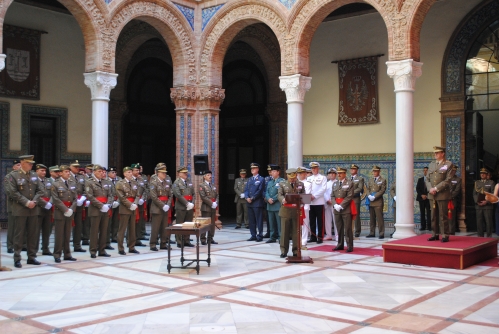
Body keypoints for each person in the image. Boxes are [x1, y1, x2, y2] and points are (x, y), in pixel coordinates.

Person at [4, 155, 44, 268]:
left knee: (32, 234)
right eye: (29, 163)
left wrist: (34, 202)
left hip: (33, 209)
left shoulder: (34, 175)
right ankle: (17, 257)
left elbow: (40, 190)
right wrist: (27, 202)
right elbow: (13, 192)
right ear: (22, 163)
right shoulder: (13, 175)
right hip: (21, 209)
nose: (31, 165)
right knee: (19, 234)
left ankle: (31, 257)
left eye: (32, 163)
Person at [426, 146, 453, 242]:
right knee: (433, 215)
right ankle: (434, 234)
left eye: (437, 153)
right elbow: (427, 179)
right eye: (435, 153)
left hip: (442, 194)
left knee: (443, 216)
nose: (435, 154)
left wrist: (436, 188)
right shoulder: (431, 164)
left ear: (443, 153)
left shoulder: (448, 164)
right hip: (432, 194)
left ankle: (445, 235)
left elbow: (448, 180)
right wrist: (430, 188)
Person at [51, 165, 77, 263]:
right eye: (66, 171)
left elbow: (75, 198)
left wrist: (72, 209)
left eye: (68, 172)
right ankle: (57, 254)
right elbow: (56, 199)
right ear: (61, 173)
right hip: (60, 212)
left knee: (67, 234)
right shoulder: (56, 184)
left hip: (70, 211)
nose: (68, 173)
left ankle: (67, 254)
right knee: (59, 235)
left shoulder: (72, 183)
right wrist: (65, 209)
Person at [85, 165, 113, 258]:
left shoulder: (106, 182)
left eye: (102, 171)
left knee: (104, 230)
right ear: (94, 172)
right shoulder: (89, 182)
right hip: (95, 209)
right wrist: (101, 205)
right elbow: (90, 196)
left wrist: (108, 204)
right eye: (99, 171)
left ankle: (102, 250)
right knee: (94, 231)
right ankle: (93, 250)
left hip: (105, 208)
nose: (102, 173)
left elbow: (110, 195)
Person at [277, 168, 304, 258]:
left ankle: (296, 250)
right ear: (287, 176)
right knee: (285, 232)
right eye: (290, 178)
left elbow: (304, 195)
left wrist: (302, 202)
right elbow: (279, 195)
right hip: (286, 211)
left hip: (296, 211)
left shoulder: (300, 184)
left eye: (293, 177)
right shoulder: (282, 184)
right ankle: (283, 250)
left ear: (296, 176)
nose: (292, 179)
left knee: (296, 232)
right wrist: (283, 199)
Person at [115, 166, 141, 255]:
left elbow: (138, 195)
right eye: (128, 172)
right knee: (122, 229)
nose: (130, 174)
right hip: (125, 208)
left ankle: (131, 247)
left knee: (132, 229)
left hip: (133, 207)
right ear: (124, 173)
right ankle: (121, 248)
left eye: (131, 172)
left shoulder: (134, 183)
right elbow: (121, 197)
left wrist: (135, 203)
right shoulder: (120, 183)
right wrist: (130, 205)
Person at [148, 165, 173, 251]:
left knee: (164, 227)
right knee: (156, 227)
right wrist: (163, 205)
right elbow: (154, 197)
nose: (164, 174)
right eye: (162, 173)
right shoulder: (153, 183)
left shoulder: (167, 183)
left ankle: (163, 243)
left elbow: (170, 195)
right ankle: (153, 244)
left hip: (166, 207)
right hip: (157, 208)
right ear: (158, 173)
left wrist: (168, 205)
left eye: (165, 173)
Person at [331, 167, 355, 252]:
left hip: (345, 209)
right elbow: (332, 196)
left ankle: (349, 245)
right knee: (339, 227)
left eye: (341, 173)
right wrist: (335, 205)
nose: (339, 175)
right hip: (336, 209)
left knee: (347, 228)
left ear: (345, 174)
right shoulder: (335, 184)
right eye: (338, 173)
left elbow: (349, 196)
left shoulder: (350, 183)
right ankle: (340, 244)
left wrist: (341, 205)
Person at [172, 166, 195, 247]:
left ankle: (186, 240)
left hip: (190, 206)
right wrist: (187, 203)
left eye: (186, 172)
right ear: (179, 174)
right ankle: (179, 241)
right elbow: (178, 195)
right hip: (181, 207)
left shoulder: (189, 181)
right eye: (184, 173)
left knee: (188, 224)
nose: (186, 174)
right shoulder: (176, 183)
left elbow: (193, 194)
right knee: (180, 224)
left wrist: (192, 203)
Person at [35, 164, 53, 256]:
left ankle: (45, 248)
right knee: (36, 231)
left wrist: (50, 203)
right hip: (38, 208)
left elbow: (53, 193)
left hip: (48, 209)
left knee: (47, 230)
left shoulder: (48, 181)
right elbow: (34, 195)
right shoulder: (33, 181)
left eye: (45, 171)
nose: (44, 172)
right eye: (41, 171)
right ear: (36, 171)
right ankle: (34, 249)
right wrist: (45, 203)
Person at [69, 160, 87, 253]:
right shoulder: (67, 176)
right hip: (70, 204)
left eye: (78, 167)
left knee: (78, 225)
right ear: (70, 167)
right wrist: (76, 200)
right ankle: (64, 246)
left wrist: (83, 198)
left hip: (79, 204)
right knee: (68, 225)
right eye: (75, 167)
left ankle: (77, 245)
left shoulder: (81, 177)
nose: (77, 168)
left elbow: (85, 189)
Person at [244, 163, 265, 241]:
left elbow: (260, 190)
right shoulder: (249, 179)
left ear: (258, 169)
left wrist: (252, 198)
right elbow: (246, 190)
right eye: (251, 168)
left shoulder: (261, 179)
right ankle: (253, 235)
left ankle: (260, 235)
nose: (252, 170)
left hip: (257, 202)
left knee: (259, 220)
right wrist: (247, 197)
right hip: (249, 203)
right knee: (251, 220)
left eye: (254, 168)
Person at [307, 162, 327, 244]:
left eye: (315, 168)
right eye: (312, 168)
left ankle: (320, 237)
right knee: (312, 221)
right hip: (310, 202)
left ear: (318, 168)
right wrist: (309, 196)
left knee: (320, 221)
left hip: (319, 202)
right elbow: (307, 188)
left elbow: (323, 189)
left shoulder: (323, 177)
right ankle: (313, 236)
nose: (314, 169)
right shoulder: (309, 178)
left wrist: (314, 196)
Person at [264, 164, 284, 243]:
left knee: (279, 223)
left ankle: (280, 237)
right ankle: (272, 237)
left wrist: (274, 199)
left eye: (274, 171)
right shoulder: (270, 182)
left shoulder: (281, 181)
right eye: (272, 171)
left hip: (277, 205)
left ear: (278, 172)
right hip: (270, 205)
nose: (272, 173)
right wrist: (268, 198)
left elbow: (281, 192)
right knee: (271, 223)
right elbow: (267, 192)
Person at [366, 166, 387, 239]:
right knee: (372, 218)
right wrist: (369, 196)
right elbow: (367, 189)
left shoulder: (383, 180)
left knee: (379, 218)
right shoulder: (370, 180)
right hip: (370, 201)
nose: (374, 173)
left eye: (375, 171)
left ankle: (381, 233)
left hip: (378, 201)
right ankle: (372, 232)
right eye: (373, 171)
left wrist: (375, 196)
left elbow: (382, 190)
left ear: (379, 172)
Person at [473, 167, 496, 237]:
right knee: (479, 222)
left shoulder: (491, 183)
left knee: (488, 222)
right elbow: (474, 194)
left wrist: (486, 201)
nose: (482, 175)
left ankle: (489, 236)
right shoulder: (477, 183)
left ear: (487, 174)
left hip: (487, 206)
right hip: (479, 206)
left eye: (484, 174)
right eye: (481, 174)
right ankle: (480, 237)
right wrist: (477, 201)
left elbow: (493, 194)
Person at [199, 170, 219, 245]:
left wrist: (216, 203)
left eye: (210, 175)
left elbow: (217, 195)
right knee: (205, 224)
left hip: (213, 207)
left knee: (212, 224)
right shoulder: (202, 185)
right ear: (204, 177)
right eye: (208, 175)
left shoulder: (213, 186)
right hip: (206, 207)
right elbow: (203, 197)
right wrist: (211, 203)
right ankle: (203, 239)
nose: (210, 176)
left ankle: (210, 238)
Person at [5, 159, 21, 254]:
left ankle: (21, 244)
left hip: (23, 206)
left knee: (21, 227)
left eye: (20, 165)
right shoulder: (9, 177)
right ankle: (10, 245)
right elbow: (9, 191)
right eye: (18, 165)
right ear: (13, 167)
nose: (19, 167)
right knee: (12, 227)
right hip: (13, 205)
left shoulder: (23, 176)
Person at [131, 163, 148, 246]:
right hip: (132, 204)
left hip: (140, 203)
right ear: (132, 171)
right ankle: (130, 240)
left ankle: (137, 239)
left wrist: (143, 198)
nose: (138, 172)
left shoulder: (141, 179)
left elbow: (145, 189)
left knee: (139, 221)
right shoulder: (129, 179)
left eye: (138, 170)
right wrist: (136, 200)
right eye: (136, 170)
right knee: (132, 223)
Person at [105, 167, 121, 249]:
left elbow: (121, 192)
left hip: (117, 202)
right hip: (109, 203)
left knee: (116, 221)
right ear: (108, 173)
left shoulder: (119, 180)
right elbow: (108, 194)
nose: (114, 174)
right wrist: (111, 202)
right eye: (112, 172)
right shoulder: (106, 181)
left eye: (115, 172)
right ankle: (107, 239)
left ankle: (114, 237)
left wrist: (118, 201)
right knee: (108, 222)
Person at [297, 167, 312, 247]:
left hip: (304, 206)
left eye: (301, 173)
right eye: (299, 173)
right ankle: (297, 240)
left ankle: (304, 240)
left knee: (304, 224)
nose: (299, 175)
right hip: (296, 206)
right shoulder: (296, 183)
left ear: (305, 174)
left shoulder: (308, 183)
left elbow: (306, 195)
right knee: (297, 224)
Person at [349, 165, 364, 237]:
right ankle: (349, 230)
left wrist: (351, 193)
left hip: (355, 199)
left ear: (357, 170)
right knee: (348, 215)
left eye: (354, 169)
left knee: (356, 215)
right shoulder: (347, 179)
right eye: (351, 169)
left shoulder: (360, 178)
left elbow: (360, 188)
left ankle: (357, 231)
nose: (352, 170)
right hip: (348, 199)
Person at [324, 168, 338, 241]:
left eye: (333, 173)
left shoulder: (338, 183)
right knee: (327, 220)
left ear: (335, 175)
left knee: (336, 220)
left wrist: (333, 201)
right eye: (330, 173)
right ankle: (329, 235)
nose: (331, 175)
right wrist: (327, 200)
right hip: (327, 203)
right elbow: (324, 193)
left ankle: (337, 235)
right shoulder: (326, 183)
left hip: (335, 203)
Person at [449, 165, 462, 235]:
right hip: (444, 200)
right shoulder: (446, 178)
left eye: (454, 170)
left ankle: (451, 231)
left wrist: (450, 196)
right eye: (451, 170)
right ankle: (444, 231)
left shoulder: (458, 179)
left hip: (452, 200)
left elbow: (457, 190)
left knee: (452, 217)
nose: (452, 172)